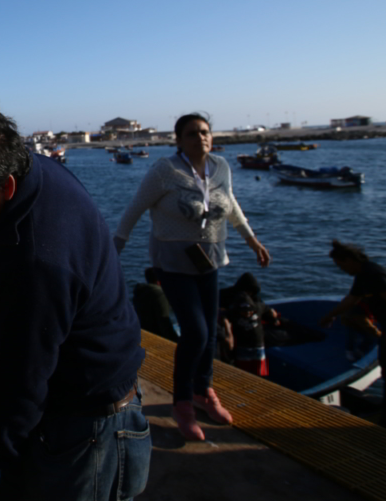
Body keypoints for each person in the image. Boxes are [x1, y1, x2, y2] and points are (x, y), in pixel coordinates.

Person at [0, 103, 149, 501]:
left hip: (88, 428)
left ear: (5, 187)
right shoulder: (34, 168)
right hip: (64, 408)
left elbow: (22, 388)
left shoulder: (37, 263)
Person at [114, 113, 270, 442]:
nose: (201, 137)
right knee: (196, 332)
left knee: (210, 331)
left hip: (210, 259)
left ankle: (204, 391)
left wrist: (252, 240)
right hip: (171, 260)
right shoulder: (165, 171)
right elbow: (136, 207)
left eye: (205, 132)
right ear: (179, 140)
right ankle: (182, 403)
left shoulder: (221, 167)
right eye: (192, 133)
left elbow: (232, 206)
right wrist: (116, 246)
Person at [321, 240, 386, 431]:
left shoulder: (373, 275)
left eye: (340, 265)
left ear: (350, 260)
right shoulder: (364, 275)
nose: (341, 269)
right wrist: (330, 315)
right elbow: (352, 299)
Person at [133, 267, 178, 342]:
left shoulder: (140, 291)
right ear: (159, 281)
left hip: (144, 334)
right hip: (158, 338)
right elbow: (163, 322)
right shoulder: (160, 294)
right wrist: (174, 341)